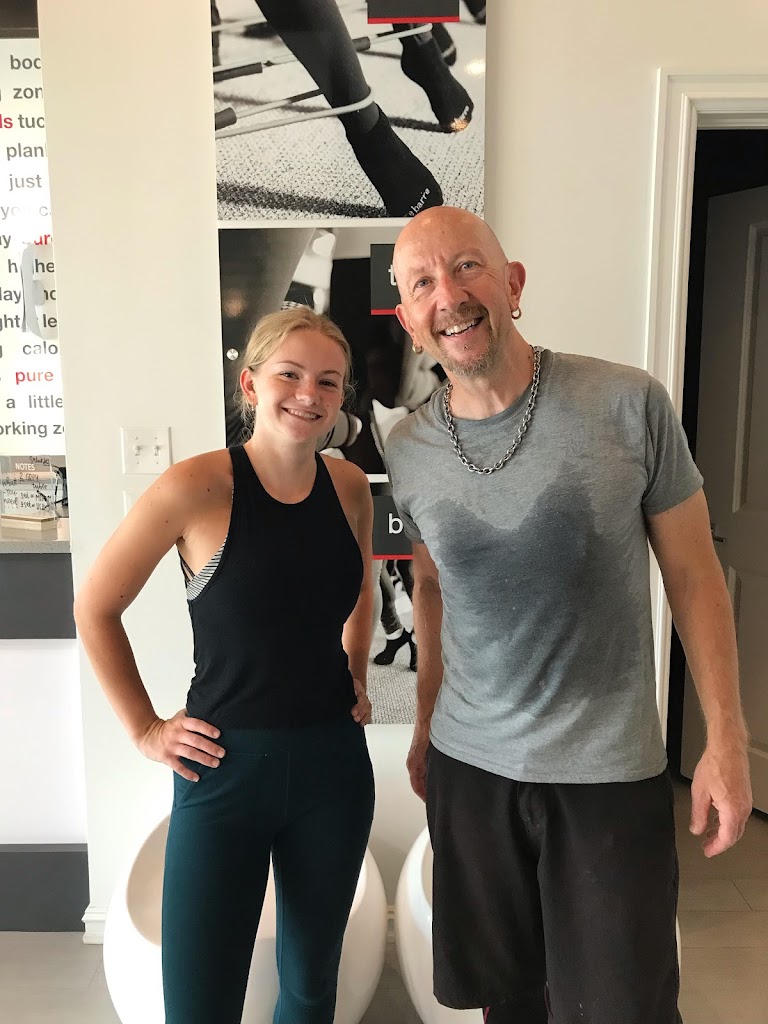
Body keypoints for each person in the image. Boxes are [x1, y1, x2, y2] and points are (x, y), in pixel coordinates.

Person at [384, 206, 753, 1024]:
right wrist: (425, 725)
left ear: (512, 283)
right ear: (409, 321)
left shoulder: (627, 402)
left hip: (606, 774)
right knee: (507, 1005)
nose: (448, 295)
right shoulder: (407, 449)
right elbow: (432, 589)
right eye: (422, 283)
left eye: (467, 266)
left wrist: (726, 739)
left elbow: (695, 575)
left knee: (624, 1007)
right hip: (471, 771)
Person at [74, 307, 376, 1024]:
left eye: (328, 382)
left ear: (341, 397)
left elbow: (361, 587)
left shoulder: (349, 486)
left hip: (333, 769)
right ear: (251, 384)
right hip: (223, 770)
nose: (308, 394)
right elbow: (95, 608)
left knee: (310, 989)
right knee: (200, 1003)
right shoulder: (196, 486)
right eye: (290, 374)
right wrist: (146, 730)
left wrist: (357, 671)